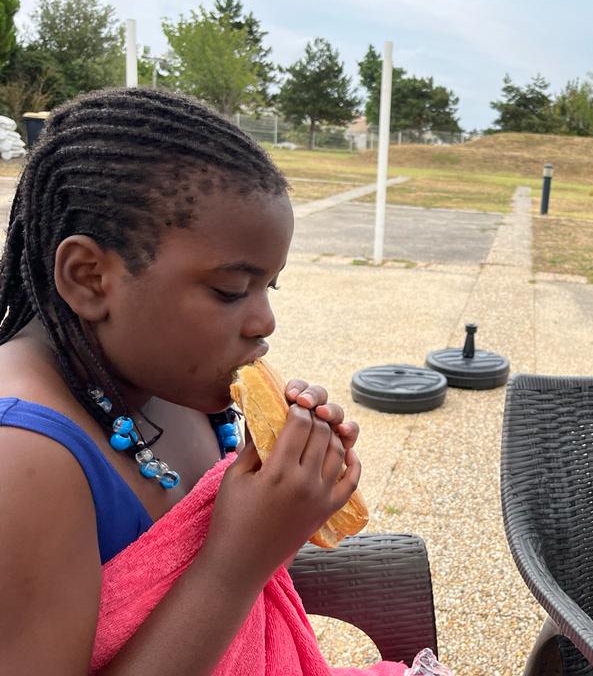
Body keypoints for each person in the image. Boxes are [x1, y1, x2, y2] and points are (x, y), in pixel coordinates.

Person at [0, 87, 403, 674]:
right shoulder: (23, 458)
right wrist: (239, 559)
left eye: (269, 286)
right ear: (89, 277)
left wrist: (288, 494)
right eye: (230, 290)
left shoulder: (172, 382)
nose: (265, 321)